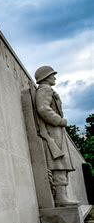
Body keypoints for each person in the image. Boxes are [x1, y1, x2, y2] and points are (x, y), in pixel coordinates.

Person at [35, 65, 79, 206]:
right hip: (53, 130)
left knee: (61, 163)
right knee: (59, 163)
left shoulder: (48, 89)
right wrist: (59, 121)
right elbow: (43, 108)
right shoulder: (45, 89)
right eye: (52, 75)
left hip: (56, 130)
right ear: (45, 77)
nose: (54, 77)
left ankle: (62, 196)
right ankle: (61, 197)